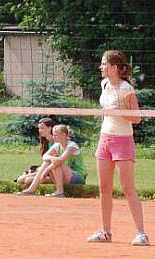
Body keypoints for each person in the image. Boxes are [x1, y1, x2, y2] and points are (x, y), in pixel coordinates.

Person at [88, 50, 148, 245]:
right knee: (104, 188)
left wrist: (117, 112)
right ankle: (105, 231)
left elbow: (137, 118)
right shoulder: (104, 84)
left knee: (128, 187)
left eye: (104, 64)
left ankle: (141, 233)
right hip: (105, 139)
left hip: (123, 140)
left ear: (114, 67)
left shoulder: (126, 89)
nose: (101, 67)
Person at [19, 124, 85, 196]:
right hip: (63, 176)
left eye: (56, 135)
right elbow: (45, 156)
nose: (53, 137)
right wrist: (52, 159)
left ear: (63, 135)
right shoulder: (57, 145)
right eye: (53, 135)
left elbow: (60, 160)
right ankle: (31, 189)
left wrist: (46, 171)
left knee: (56, 162)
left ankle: (60, 192)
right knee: (49, 161)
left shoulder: (72, 146)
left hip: (77, 177)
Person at [15, 118, 56, 187]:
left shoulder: (56, 143)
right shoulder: (45, 142)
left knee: (28, 180)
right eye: (39, 128)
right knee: (20, 179)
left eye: (42, 128)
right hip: (46, 170)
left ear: (50, 128)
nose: (40, 131)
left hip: (54, 172)